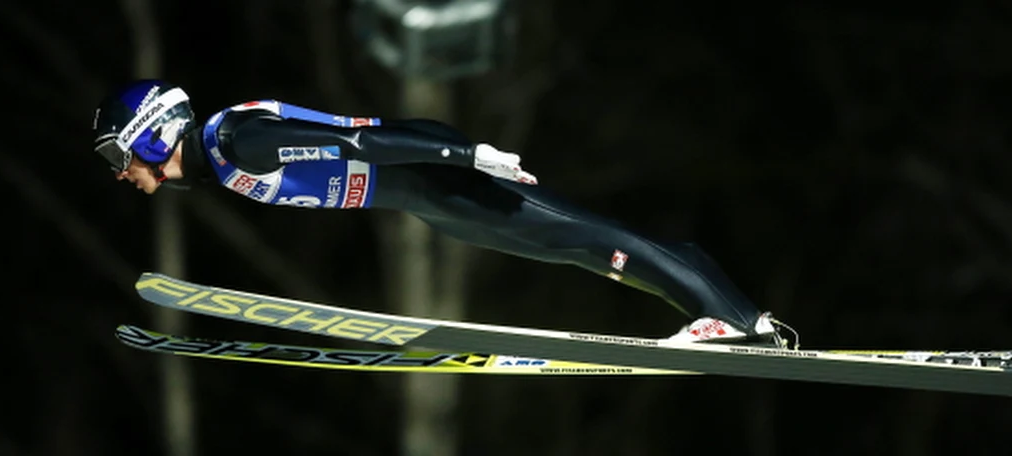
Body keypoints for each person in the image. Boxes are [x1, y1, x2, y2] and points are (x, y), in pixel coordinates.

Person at [91, 79, 796, 347]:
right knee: (584, 252)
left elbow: (361, 138)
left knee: (592, 237)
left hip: (442, 181)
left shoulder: (235, 140)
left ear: (152, 132)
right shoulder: (220, 160)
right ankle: (736, 318)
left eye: (120, 156)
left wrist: (468, 155)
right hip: (437, 204)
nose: (121, 174)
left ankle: (735, 319)